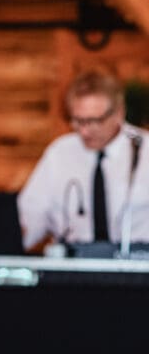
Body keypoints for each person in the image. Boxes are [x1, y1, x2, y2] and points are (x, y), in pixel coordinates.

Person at [19, 68, 148, 251]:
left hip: (137, 268)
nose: (85, 131)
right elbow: (29, 219)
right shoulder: (59, 153)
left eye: (95, 121)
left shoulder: (145, 151)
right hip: (73, 268)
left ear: (118, 113)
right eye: (78, 121)